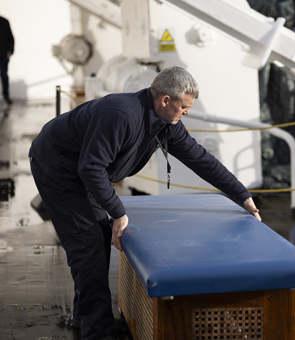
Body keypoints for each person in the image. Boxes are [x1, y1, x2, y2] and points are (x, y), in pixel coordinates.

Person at [29, 66, 261, 340]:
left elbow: (201, 159)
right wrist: (118, 212)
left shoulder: (166, 124)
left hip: (84, 170)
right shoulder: (121, 115)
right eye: (184, 106)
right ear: (165, 100)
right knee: (87, 245)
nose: (187, 112)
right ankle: (97, 333)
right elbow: (90, 168)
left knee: (97, 238)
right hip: (58, 167)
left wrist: (242, 196)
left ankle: (86, 317)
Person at [0, 16, 14, 105]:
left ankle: (6, 96)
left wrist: (10, 51)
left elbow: (11, 38)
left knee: (4, 75)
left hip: (3, 55)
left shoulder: (4, 21)